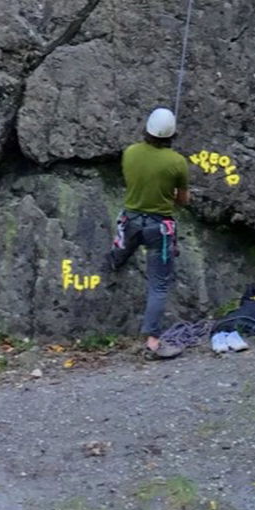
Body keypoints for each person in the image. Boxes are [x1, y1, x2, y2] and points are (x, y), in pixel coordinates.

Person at [106, 107, 193, 359]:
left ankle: (115, 261)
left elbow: (131, 181)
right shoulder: (177, 162)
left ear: (147, 129)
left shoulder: (130, 153)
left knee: (122, 248)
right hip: (159, 227)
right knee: (159, 285)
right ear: (171, 135)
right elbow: (183, 200)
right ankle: (153, 343)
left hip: (131, 220)